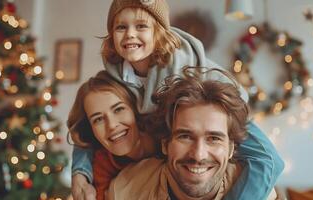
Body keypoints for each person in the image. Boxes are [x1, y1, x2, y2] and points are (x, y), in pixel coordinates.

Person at [71, 0, 284, 199]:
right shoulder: (117, 79)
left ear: (159, 31)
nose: (130, 35)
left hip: (220, 109)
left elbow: (269, 160)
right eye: (121, 27)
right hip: (163, 175)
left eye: (141, 26)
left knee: (266, 160)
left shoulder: (190, 72)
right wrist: (80, 171)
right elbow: (89, 121)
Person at [107, 67, 277, 199]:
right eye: (185, 137)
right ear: (165, 144)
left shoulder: (262, 195)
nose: (198, 155)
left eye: (214, 138)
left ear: (231, 148)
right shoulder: (124, 191)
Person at [68, 71, 156, 200]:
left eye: (118, 109)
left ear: (135, 109)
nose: (112, 125)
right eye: (98, 119)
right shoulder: (102, 162)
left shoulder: (165, 141)